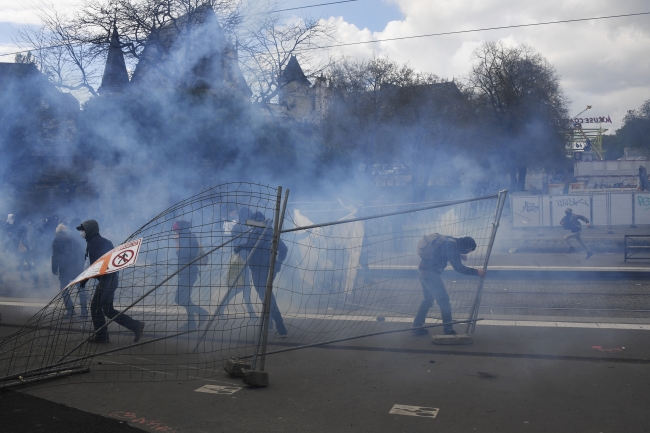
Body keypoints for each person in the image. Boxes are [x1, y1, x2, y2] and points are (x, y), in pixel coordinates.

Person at [77, 219, 145, 344]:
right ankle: (136, 326)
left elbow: (97, 265)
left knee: (96, 307)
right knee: (107, 309)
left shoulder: (95, 243)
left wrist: (85, 278)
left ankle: (103, 336)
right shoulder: (100, 241)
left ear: (90, 230)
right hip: (110, 278)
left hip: (107, 279)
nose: (82, 233)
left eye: (83, 230)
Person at [412, 235, 486, 336]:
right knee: (444, 302)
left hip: (422, 270)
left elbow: (442, 250)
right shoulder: (453, 245)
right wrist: (477, 272)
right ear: (464, 246)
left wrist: (458, 255)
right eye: (467, 251)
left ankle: (417, 327)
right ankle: (448, 331)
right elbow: (458, 268)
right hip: (430, 273)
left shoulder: (451, 241)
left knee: (428, 300)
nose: (466, 253)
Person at [233, 210, 288, 336]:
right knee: (265, 295)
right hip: (269, 268)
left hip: (259, 269)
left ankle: (281, 327)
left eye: (252, 222)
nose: (251, 224)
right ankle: (268, 323)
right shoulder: (272, 232)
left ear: (257, 222)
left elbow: (254, 244)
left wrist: (240, 247)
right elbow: (284, 249)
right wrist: (278, 262)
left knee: (266, 296)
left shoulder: (259, 231)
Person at [172, 220, 209, 331]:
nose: (175, 233)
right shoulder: (186, 237)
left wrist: (177, 243)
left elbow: (184, 256)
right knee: (185, 299)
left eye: (176, 231)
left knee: (180, 299)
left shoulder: (190, 239)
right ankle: (191, 324)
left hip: (189, 272)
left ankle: (202, 312)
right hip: (186, 272)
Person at [52, 223, 87, 319]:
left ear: (58, 232)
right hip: (77, 267)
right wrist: (81, 264)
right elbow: (82, 252)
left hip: (65, 268)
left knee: (64, 289)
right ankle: (84, 311)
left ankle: (70, 310)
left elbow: (55, 256)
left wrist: (54, 268)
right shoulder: (74, 238)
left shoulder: (57, 240)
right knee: (81, 289)